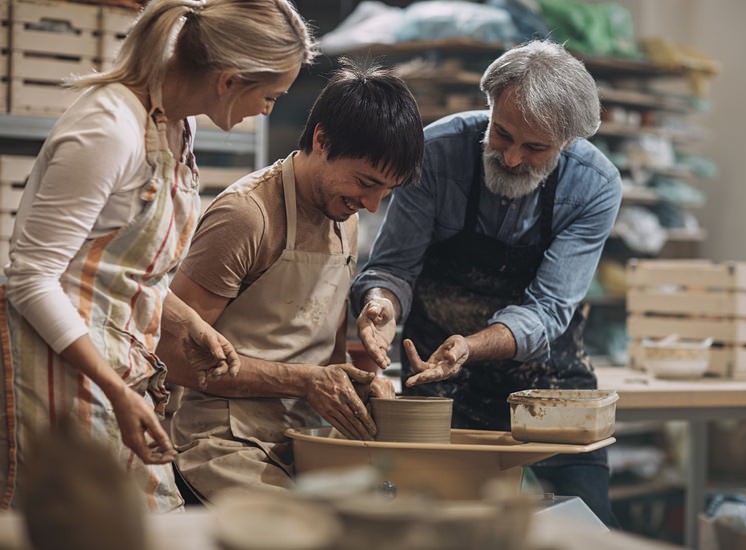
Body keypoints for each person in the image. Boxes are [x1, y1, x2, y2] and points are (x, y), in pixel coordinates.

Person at [0, 0, 315, 512]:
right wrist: (114, 390)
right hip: (60, 368)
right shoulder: (108, 129)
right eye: (271, 96)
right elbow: (32, 279)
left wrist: (190, 323)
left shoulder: (176, 124)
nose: (269, 109)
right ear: (229, 80)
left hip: (122, 366)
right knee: (79, 529)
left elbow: (125, 268)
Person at [351, 40, 622, 526]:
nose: (513, 158)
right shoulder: (436, 152)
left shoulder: (595, 185)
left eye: (536, 148)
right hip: (435, 375)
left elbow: (548, 309)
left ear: (568, 142)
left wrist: (470, 347)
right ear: (489, 105)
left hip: (545, 384)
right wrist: (380, 305)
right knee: (433, 528)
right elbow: (392, 268)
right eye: (502, 134)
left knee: (587, 524)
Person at [156, 63, 423, 501]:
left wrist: (355, 383)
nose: (372, 205)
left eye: (386, 192)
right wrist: (303, 381)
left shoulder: (345, 216)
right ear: (322, 141)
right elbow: (174, 358)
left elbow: (326, 358)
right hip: (223, 439)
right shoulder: (247, 216)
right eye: (365, 183)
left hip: (305, 433)